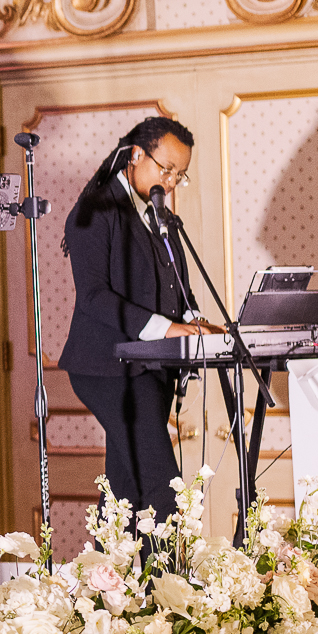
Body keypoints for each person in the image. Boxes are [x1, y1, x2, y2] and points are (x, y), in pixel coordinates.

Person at [60, 117, 221, 522]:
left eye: (179, 175)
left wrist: (193, 320)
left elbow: (175, 286)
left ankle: (102, 582)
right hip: (107, 368)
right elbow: (95, 296)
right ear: (135, 155)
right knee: (162, 491)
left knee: (123, 492)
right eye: (165, 169)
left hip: (149, 367)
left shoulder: (158, 214)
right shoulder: (96, 210)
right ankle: (168, 587)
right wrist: (168, 329)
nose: (169, 182)